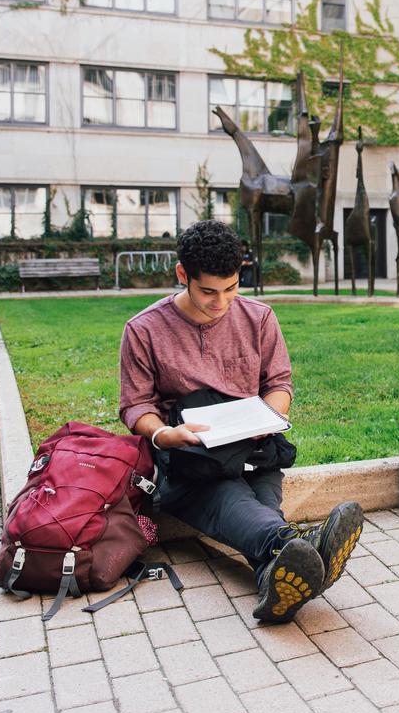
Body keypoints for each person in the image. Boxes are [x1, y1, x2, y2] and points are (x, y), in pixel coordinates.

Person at [118, 220, 363, 623]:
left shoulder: (259, 318)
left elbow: (279, 383)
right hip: (190, 464)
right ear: (183, 275)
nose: (221, 302)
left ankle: (274, 573)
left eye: (232, 288)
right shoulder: (144, 330)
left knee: (255, 500)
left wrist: (271, 414)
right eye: (209, 291)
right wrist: (164, 433)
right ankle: (296, 542)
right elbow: (136, 405)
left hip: (255, 449)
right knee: (231, 498)